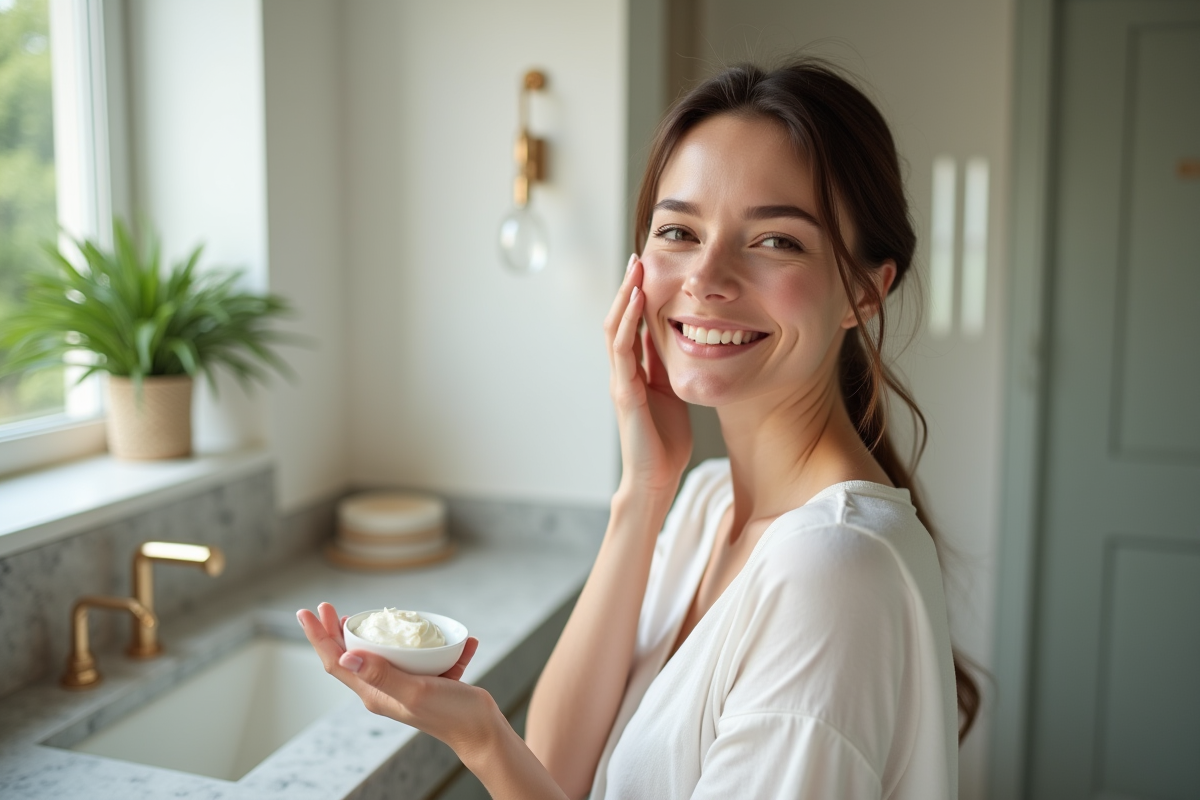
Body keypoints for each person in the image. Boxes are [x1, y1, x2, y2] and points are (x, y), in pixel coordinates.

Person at [297, 58, 979, 800]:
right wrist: (644, 491)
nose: (706, 277)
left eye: (776, 240)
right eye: (679, 230)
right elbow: (558, 771)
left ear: (862, 292)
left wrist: (482, 738)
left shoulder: (830, 575)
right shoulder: (708, 503)